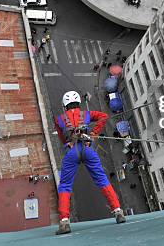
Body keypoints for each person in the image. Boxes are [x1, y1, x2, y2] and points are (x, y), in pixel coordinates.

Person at [54, 91, 126, 235]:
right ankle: (118, 212)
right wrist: (93, 134)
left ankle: (64, 222)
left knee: (65, 185)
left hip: (72, 150)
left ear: (65, 105)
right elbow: (103, 116)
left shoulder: (59, 119)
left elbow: (62, 137)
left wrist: (68, 145)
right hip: (87, 148)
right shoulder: (86, 114)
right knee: (101, 179)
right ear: (79, 103)